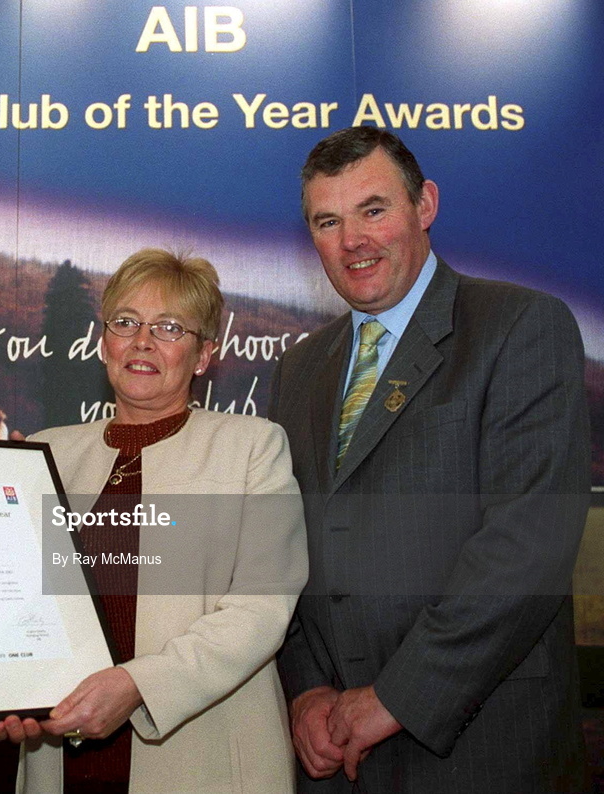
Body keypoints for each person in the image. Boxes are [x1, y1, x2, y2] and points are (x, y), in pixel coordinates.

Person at [267, 126, 590, 792]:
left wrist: (394, 698)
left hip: (483, 747)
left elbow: (527, 546)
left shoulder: (520, 326)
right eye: (328, 221)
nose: (352, 239)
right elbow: (283, 544)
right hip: (334, 755)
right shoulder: (298, 370)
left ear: (426, 206)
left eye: (373, 209)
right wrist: (303, 693)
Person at [0, 249, 309, 793]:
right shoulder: (45, 453)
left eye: (169, 327)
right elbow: (13, 601)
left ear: (204, 354)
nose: (143, 342)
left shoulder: (253, 447)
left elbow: (262, 609)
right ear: (103, 341)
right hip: (60, 750)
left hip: (202, 756)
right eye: (126, 322)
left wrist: (137, 686)